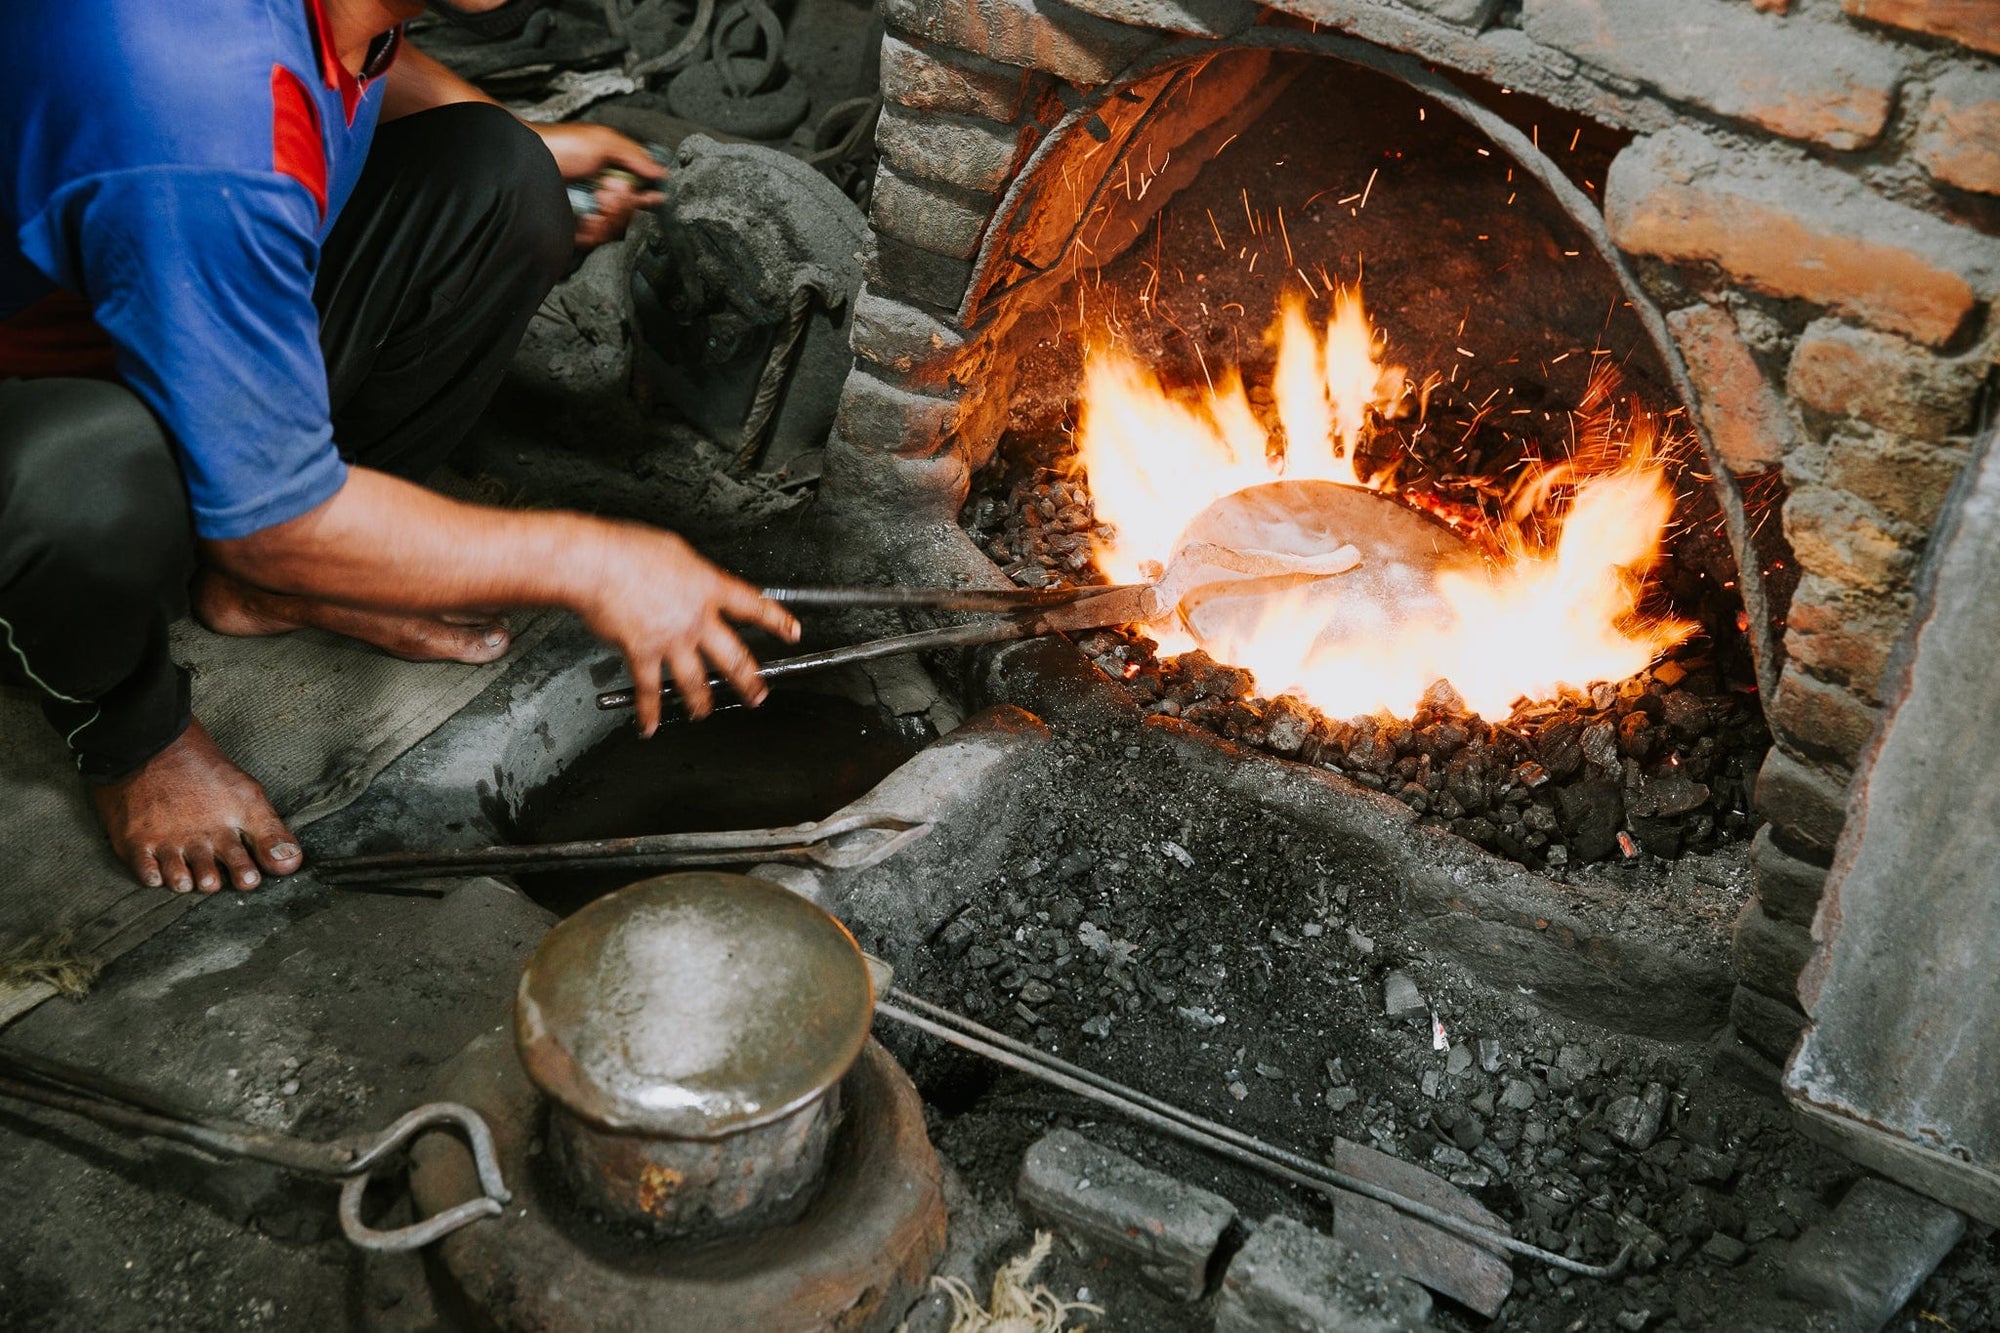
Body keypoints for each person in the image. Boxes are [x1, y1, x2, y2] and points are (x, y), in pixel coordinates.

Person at [0, 0, 799, 897]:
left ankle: (283, 582)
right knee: (96, 480)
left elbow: (357, 52)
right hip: (34, 403)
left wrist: (527, 132)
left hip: (161, 298)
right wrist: (594, 562)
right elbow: (268, 518)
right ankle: (128, 736)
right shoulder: (197, 106)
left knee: (503, 170)